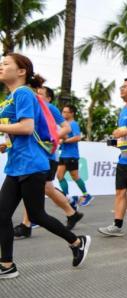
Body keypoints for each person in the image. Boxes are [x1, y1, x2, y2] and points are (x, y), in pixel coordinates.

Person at [0, 53, 90, 279]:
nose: (0, 67)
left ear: (21, 71)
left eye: (5, 64)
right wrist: (5, 143)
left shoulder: (22, 93)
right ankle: (7, 264)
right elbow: (19, 131)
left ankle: (77, 241)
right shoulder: (12, 97)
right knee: (2, 215)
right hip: (16, 164)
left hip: (31, 164)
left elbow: (27, 127)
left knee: (37, 215)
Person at [13, 86, 83, 239]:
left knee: (38, 188)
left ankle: (27, 224)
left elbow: (67, 127)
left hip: (46, 157)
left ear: (49, 98)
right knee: (44, 189)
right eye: (36, 93)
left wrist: (52, 138)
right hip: (35, 157)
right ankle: (71, 213)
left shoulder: (49, 108)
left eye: (40, 94)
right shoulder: (31, 106)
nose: (37, 95)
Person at [98, 77, 127, 237]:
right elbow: (125, 133)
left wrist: (124, 131)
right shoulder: (124, 109)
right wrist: (117, 139)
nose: (122, 89)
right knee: (120, 191)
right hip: (124, 156)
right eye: (122, 86)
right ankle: (117, 226)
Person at [56, 104, 94, 206]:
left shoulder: (73, 124)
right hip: (63, 154)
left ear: (72, 113)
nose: (63, 114)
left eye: (65, 112)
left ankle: (86, 195)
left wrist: (64, 141)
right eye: (62, 111)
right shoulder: (64, 125)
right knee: (59, 176)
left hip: (72, 155)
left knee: (75, 176)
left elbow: (77, 137)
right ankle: (68, 197)